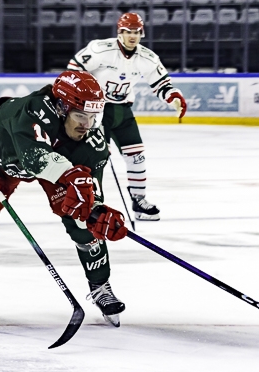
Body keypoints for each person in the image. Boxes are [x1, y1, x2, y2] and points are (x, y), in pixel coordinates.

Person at [0, 71, 130, 326]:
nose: (86, 124)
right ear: (61, 107)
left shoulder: (92, 141)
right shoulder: (30, 113)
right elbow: (34, 158)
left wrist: (96, 212)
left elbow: (90, 192)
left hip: (61, 158)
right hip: (6, 146)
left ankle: (100, 285)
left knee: (82, 219)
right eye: (80, 115)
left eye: (92, 117)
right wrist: (71, 175)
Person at [67, 12, 186, 221]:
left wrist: (174, 98)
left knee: (137, 157)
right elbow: (74, 68)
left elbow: (162, 83)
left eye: (136, 32)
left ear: (142, 33)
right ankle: (92, 203)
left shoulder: (147, 57)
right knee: (97, 158)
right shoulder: (101, 49)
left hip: (123, 112)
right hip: (96, 110)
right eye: (128, 32)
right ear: (119, 32)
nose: (132, 36)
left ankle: (139, 202)